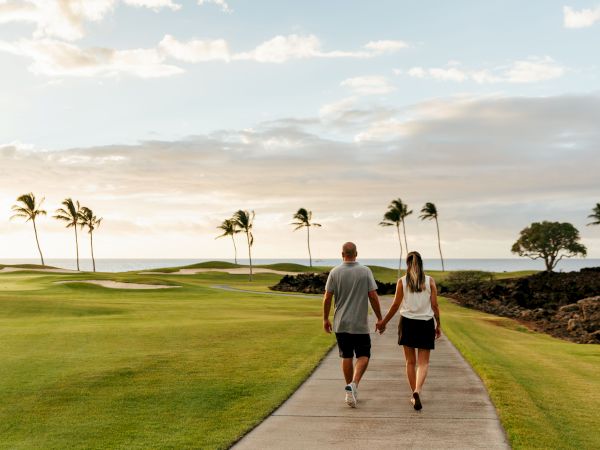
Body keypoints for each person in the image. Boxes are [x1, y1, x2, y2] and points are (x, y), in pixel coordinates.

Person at [377, 251, 441, 411]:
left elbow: (395, 305)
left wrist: (383, 322)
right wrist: (438, 324)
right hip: (426, 323)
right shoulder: (429, 281)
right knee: (423, 363)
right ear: (421, 263)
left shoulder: (402, 282)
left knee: (410, 362)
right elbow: (435, 306)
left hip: (407, 323)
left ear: (407, 264)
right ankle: (418, 391)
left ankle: (414, 393)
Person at [323, 242, 383, 408]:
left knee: (346, 356)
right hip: (359, 323)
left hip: (341, 322)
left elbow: (327, 297)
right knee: (364, 355)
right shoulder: (365, 271)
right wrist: (380, 318)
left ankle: (350, 389)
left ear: (342, 254)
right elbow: (373, 296)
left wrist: (325, 319)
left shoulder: (335, 272)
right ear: (356, 253)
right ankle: (354, 384)